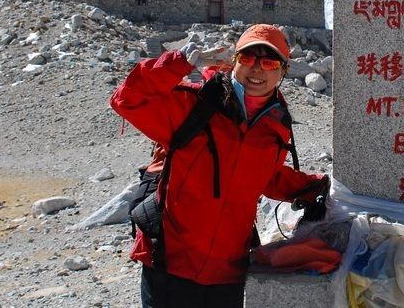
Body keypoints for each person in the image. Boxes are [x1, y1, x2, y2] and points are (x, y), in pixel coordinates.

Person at [111, 24, 328, 308]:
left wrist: (315, 185)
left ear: (283, 71)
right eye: (248, 58)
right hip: (171, 261)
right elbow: (127, 100)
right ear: (235, 61)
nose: (257, 69)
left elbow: (265, 176)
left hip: (228, 269)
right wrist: (178, 63)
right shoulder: (194, 105)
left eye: (269, 62)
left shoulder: (276, 124)